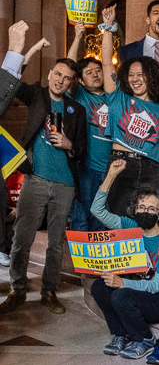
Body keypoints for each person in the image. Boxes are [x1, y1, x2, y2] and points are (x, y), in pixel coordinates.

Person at [0, 36, 86, 315]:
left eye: (67, 78)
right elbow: (10, 83)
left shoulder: (77, 110)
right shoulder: (36, 94)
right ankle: (17, 289)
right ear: (50, 74)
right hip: (35, 179)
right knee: (22, 238)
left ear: (72, 83)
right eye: (57, 74)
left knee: (56, 243)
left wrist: (69, 144)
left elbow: (82, 149)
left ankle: (50, 290)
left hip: (65, 184)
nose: (61, 80)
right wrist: (31, 50)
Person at [90, 161, 159, 360]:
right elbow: (98, 211)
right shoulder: (130, 226)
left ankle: (145, 339)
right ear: (134, 209)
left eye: (151, 209)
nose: (145, 211)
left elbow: (157, 285)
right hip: (134, 290)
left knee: (121, 296)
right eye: (141, 207)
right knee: (99, 287)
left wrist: (122, 283)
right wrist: (111, 175)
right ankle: (121, 334)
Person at [99, 5, 159, 215]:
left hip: (151, 169)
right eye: (131, 75)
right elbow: (106, 64)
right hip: (120, 166)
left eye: (141, 74)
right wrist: (108, 28)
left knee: (147, 224)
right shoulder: (118, 98)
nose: (135, 79)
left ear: (151, 77)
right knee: (119, 222)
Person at [66, 21, 112, 231]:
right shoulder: (80, 97)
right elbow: (69, 66)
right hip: (87, 168)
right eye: (89, 72)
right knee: (82, 218)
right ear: (81, 81)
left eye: (98, 70)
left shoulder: (114, 96)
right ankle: (79, 264)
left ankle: (98, 264)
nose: (95, 74)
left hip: (112, 170)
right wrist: (77, 36)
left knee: (102, 221)